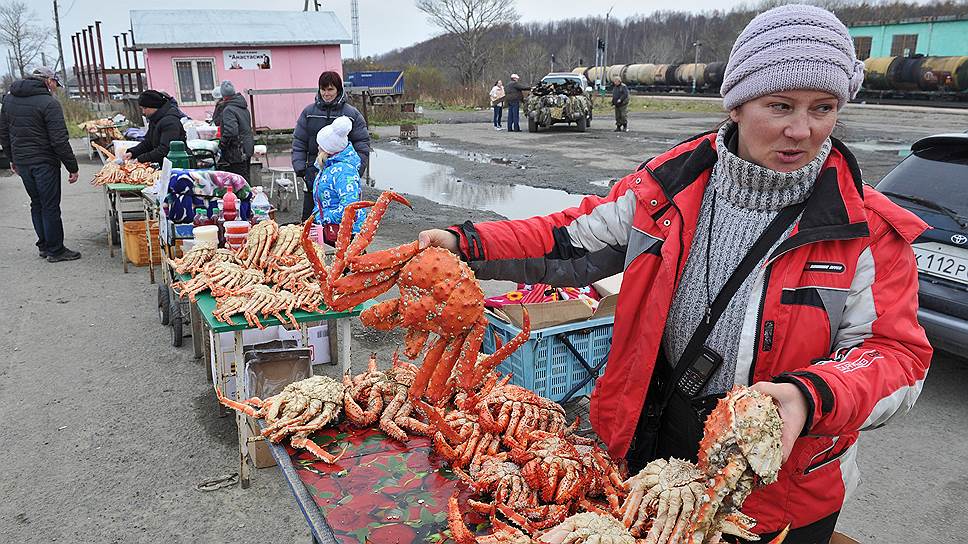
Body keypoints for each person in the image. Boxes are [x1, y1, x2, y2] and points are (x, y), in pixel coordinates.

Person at [418, 5, 931, 542]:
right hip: (653, 444)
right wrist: (465, 241)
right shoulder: (671, 186)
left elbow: (897, 359)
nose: (801, 129)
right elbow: (569, 239)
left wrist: (810, 396)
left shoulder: (866, 229)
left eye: (823, 108)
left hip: (780, 487)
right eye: (779, 105)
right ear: (736, 104)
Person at [0, 66, 81, 262]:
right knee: (50, 205)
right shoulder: (48, 103)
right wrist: (72, 167)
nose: (55, 87)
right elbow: (59, 140)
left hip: (22, 161)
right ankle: (56, 250)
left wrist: (12, 158)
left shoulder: (9, 99)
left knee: (36, 203)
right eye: (55, 83)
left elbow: (3, 132)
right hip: (44, 162)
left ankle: (44, 245)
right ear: (47, 80)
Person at [292, 71, 371, 221]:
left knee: (342, 217)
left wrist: (356, 170)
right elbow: (299, 142)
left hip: (341, 176)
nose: (326, 94)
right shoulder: (308, 113)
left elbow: (362, 144)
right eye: (323, 89)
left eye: (330, 89)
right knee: (309, 219)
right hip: (313, 173)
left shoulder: (352, 114)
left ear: (338, 90)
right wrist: (301, 168)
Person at [311, 116, 365, 246]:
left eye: (321, 145)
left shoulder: (344, 172)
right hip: (330, 230)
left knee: (346, 265)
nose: (318, 147)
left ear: (328, 149)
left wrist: (322, 218)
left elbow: (350, 208)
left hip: (346, 234)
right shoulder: (328, 167)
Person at [123, 90, 187, 164]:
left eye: (145, 108)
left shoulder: (170, 122)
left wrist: (140, 159)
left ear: (154, 106)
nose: (143, 112)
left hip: (178, 164)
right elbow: (148, 142)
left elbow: (165, 150)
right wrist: (132, 153)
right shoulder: (155, 119)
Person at [214, 80, 254, 182]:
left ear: (223, 95)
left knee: (238, 181)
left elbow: (231, 131)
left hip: (236, 151)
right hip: (247, 147)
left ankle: (242, 198)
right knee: (245, 178)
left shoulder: (229, 109)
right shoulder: (242, 106)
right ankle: (248, 197)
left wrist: (222, 144)